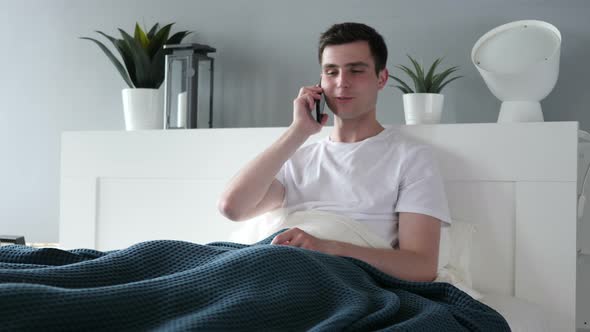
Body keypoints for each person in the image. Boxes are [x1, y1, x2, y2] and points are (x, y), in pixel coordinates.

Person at [218, 22, 450, 282]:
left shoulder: (411, 157)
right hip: (275, 268)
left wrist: (329, 248)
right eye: (331, 72)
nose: (342, 83)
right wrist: (298, 131)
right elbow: (232, 207)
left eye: (356, 70)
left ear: (381, 78)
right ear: (320, 82)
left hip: (337, 280)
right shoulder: (299, 157)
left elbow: (421, 267)